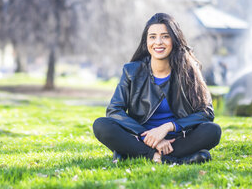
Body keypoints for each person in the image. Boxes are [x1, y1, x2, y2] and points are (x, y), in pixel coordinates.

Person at [93, 13, 221, 164]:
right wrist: (147, 136)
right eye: (152, 37)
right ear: (146, 41)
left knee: (213, 130)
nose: (158, 42)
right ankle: (167, 158)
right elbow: (114, 110)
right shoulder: (131, 71)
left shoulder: (189, 71)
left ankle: (133, 154)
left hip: (176, 139)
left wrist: (168, 127)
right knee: (101, 125)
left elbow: (207, 112)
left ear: (174, 40)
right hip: (139, 138)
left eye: (165, 36)